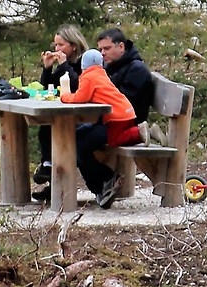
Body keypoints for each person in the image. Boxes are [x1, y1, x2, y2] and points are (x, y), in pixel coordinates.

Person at [49, 49, 140, 209]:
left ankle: (104, 183)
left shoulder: (88, 77)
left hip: (115, 119)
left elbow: (80, 98)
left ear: (84, 65)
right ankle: (104, 184)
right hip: (125, 114)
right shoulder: (101, 74)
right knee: (77, 139)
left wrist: (64, 96)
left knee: (78, 145)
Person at [30, 25, 91, 189]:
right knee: (45, 126)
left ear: (74, 46)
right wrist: (48, 68)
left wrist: (64, 64)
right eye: (55, 45)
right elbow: (47, 88)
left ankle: (53, 176)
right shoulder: (66, 64)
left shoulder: (84, 63)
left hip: (85, 115)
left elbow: (76, 84)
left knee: (54, 130)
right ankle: (48, 168)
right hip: (66, 111)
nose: (57, 49)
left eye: (61, 45)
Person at [94, 28, 157, 127]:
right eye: (100, 49)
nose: (102, 53)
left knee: (77, 136)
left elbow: (121, 103)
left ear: (121, 47)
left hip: (126, 125)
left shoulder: (137, 70)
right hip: (110, 121)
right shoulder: (112, 66)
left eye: (107, 48)